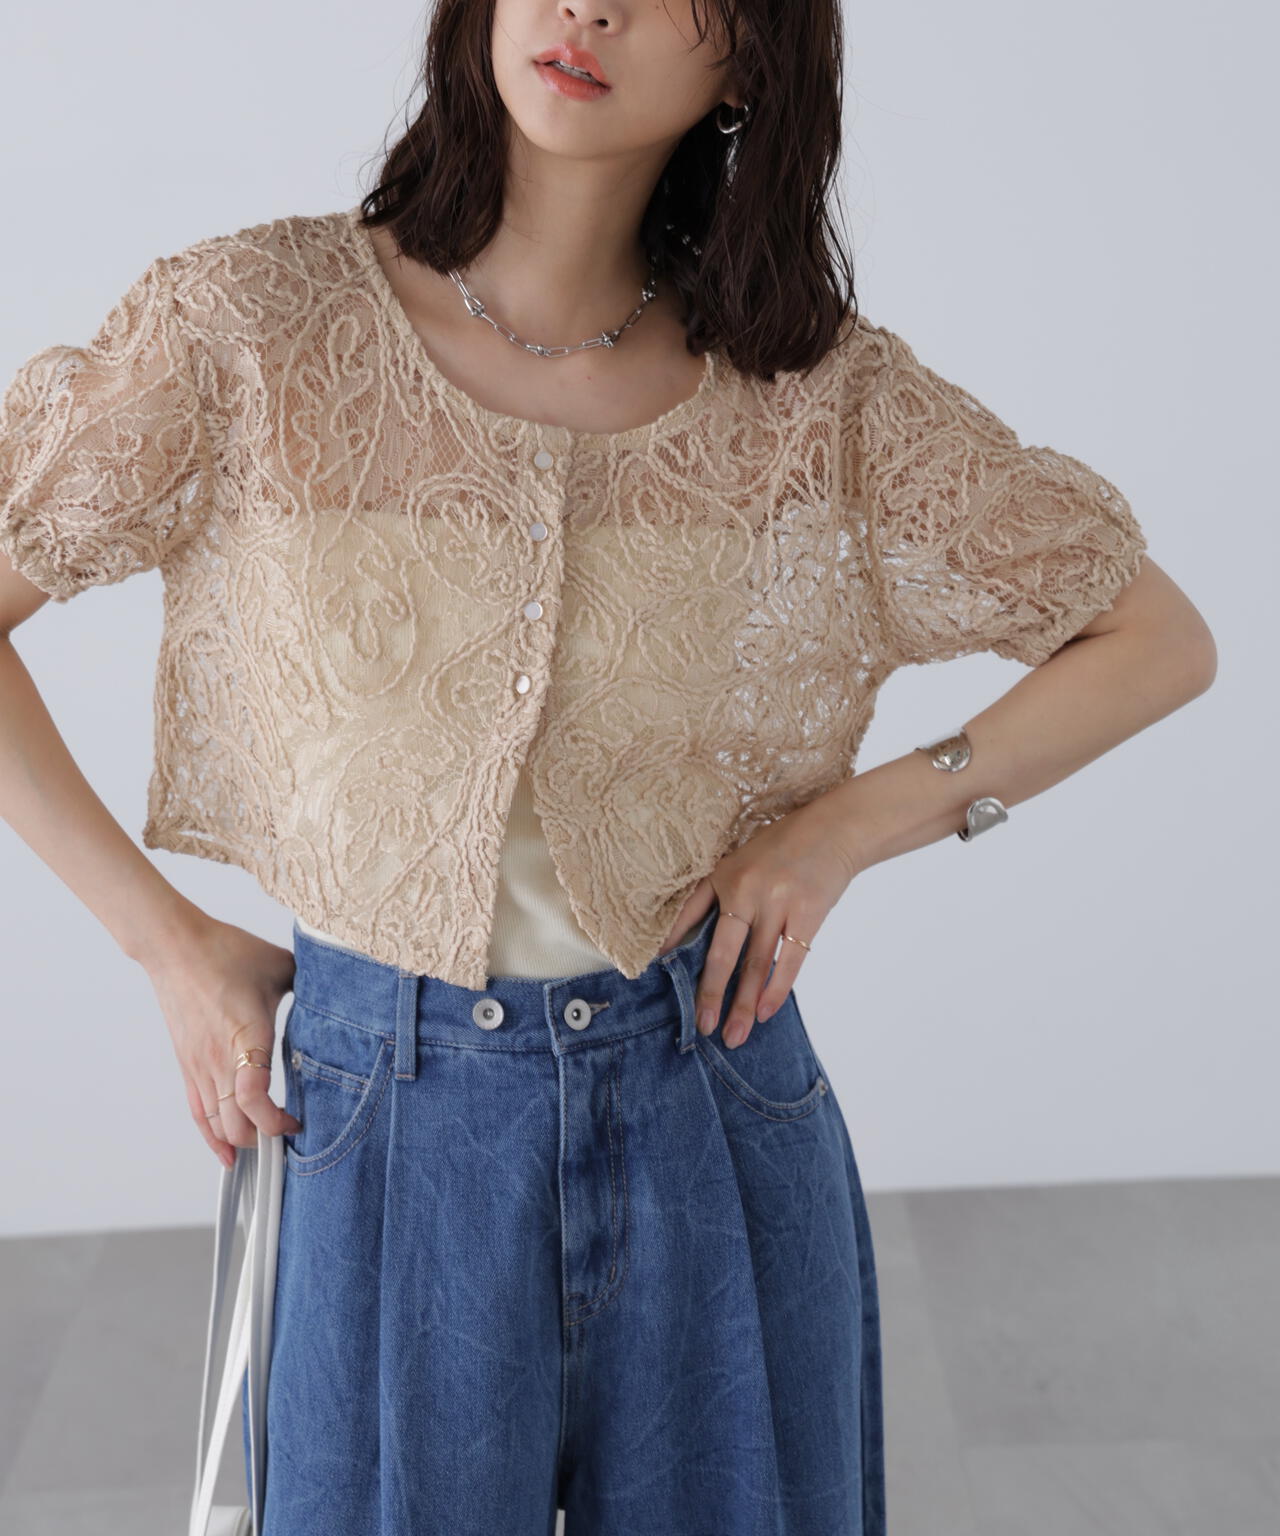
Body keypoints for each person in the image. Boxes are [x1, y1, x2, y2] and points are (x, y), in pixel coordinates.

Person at [0, 1, 1216, 1532]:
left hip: (708, 1099)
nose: (590, 8)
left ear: (750, 58)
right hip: (388, 1126)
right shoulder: (253, 327)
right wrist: (168, 948)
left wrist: (847, 827)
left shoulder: (815, 397)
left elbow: (1155, 640)